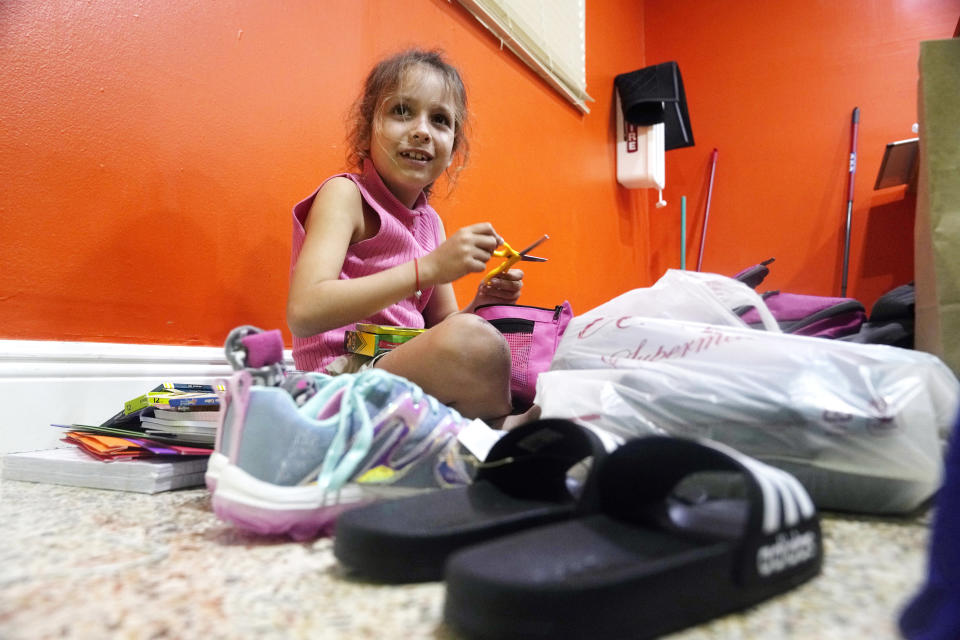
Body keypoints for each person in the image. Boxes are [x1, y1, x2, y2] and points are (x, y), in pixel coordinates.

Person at [287, 48, 529, 427]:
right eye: (401, 111)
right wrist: (428, 268)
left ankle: (486, 433)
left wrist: (483, 300)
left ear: (452, 150)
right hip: (336, 384)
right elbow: (303, 313)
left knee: (486, 338)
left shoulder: (431, 222)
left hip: (399, 376)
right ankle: (499, 433)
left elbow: (445, 328)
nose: (421, 130)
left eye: (439, 120)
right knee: (476, 343)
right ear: (367, 131)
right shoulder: (346, 196)